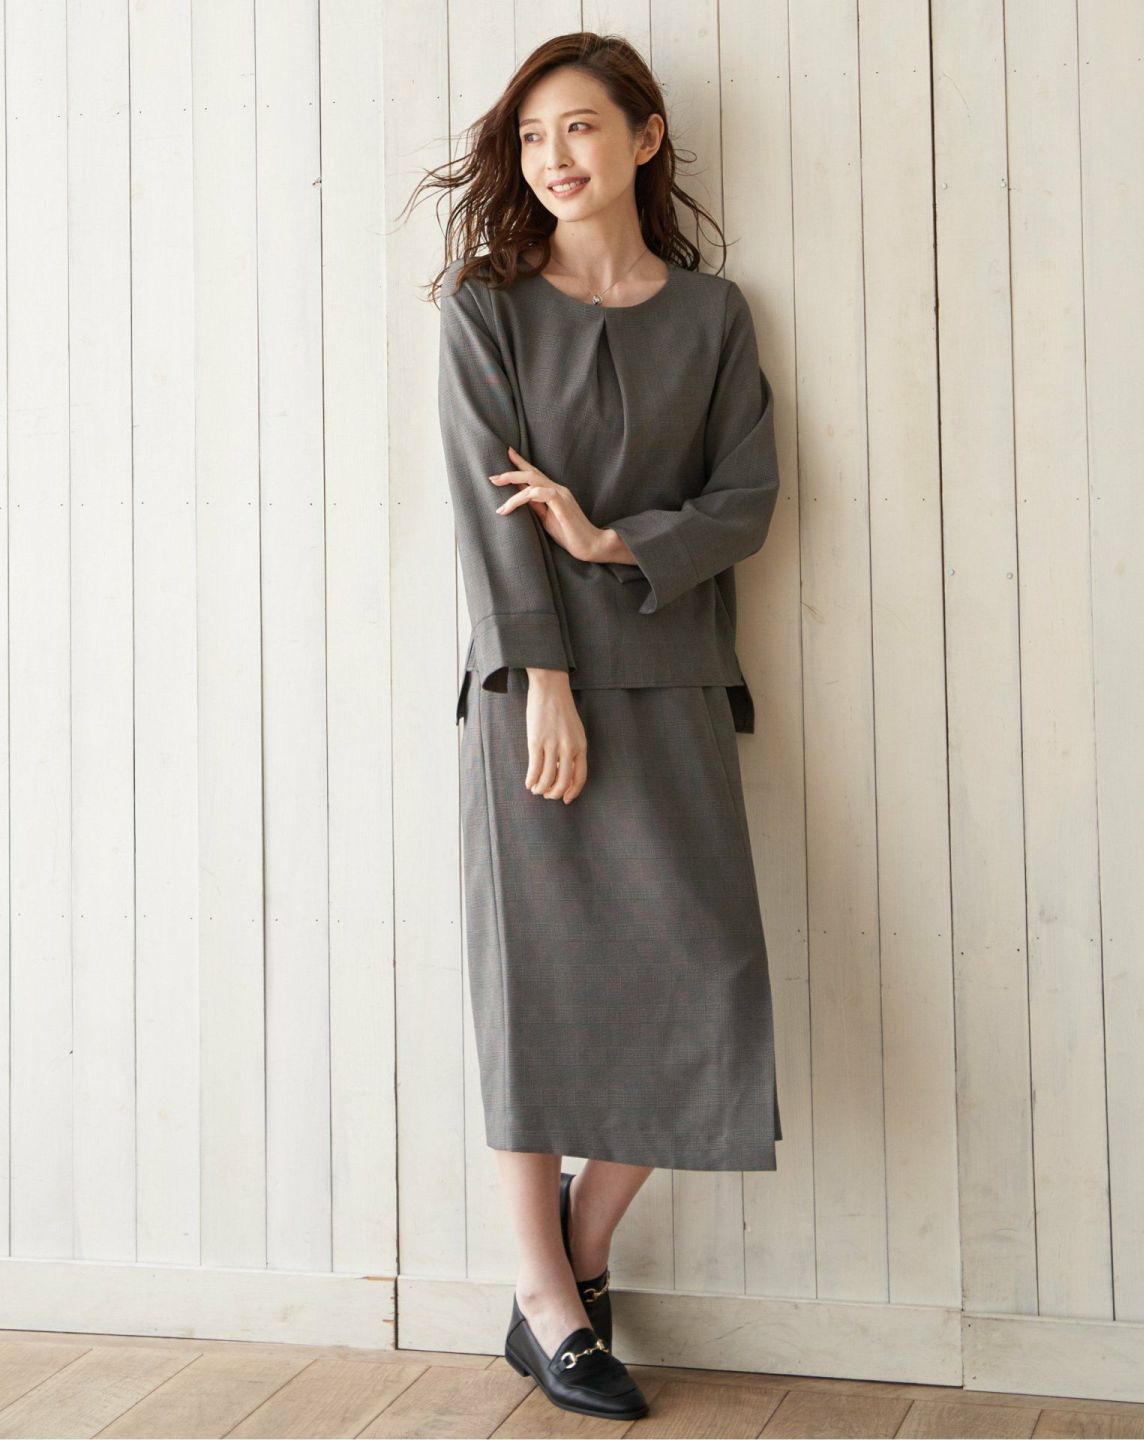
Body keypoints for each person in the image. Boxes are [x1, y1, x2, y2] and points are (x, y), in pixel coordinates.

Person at [404, 30, 783, 1423]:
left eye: (578, 128)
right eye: (530, 138)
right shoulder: (486, 312)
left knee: (708, 994)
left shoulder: (716, 315)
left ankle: (570, 1253)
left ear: (644, 137)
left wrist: (610, 537)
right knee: (537, 996)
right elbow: (486, 522)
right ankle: (554, 1307)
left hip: (675, 681)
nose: (553, 159)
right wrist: (546, 681)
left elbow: (746, 500)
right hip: (532, 698)